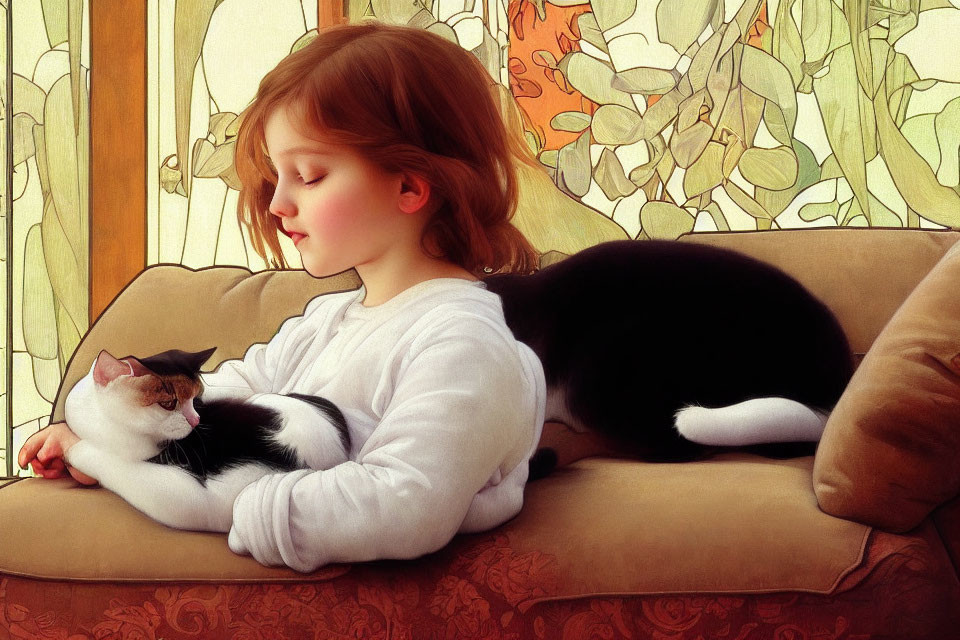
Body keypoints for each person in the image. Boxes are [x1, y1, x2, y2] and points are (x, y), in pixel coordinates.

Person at [18, 20, 547, 572]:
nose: (278, 205)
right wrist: (110, 434)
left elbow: (405, 503)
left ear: (410, 186)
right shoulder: (329, 320)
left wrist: (226, 505)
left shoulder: (462, 341)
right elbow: (228, 393)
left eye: (310, 176)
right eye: (277, 177)